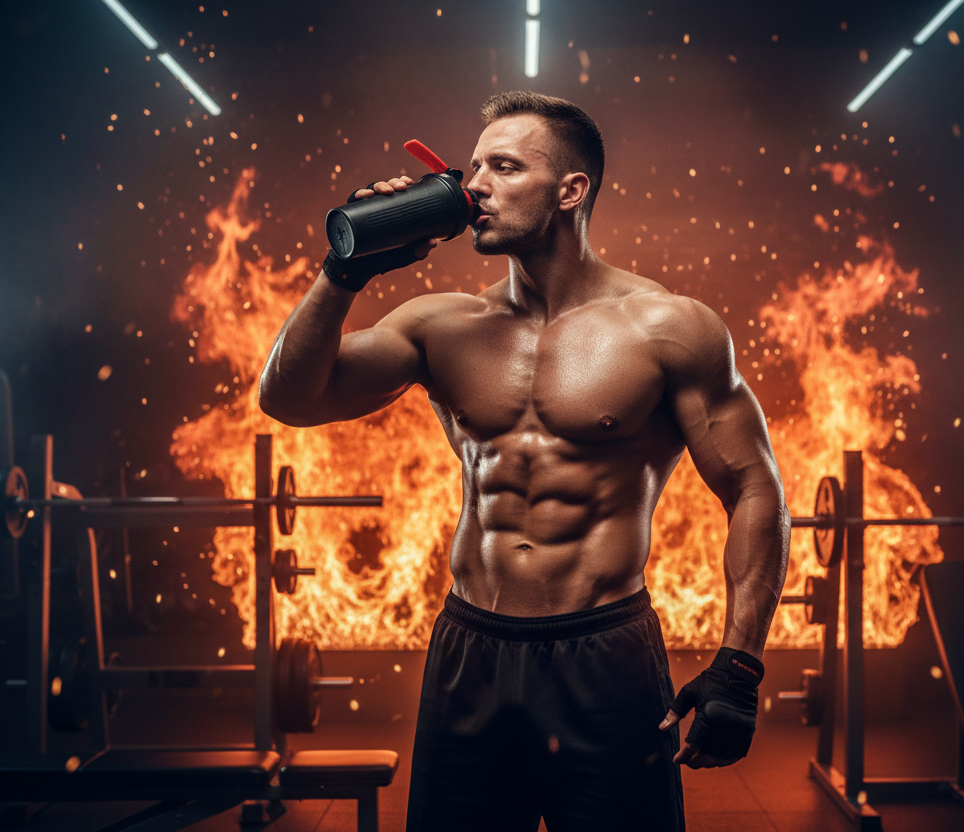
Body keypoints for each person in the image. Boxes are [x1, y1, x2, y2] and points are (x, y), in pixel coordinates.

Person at [259, 91, 789, 832]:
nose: (475, 185)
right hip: (469, 648)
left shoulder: (669, 328)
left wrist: (740, 664)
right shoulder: (439, 325)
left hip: (603, 652)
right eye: (473, 166)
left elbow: (752, 488)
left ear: (571, 190)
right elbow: (289, 398)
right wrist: (343, 272)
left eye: (505, 167)